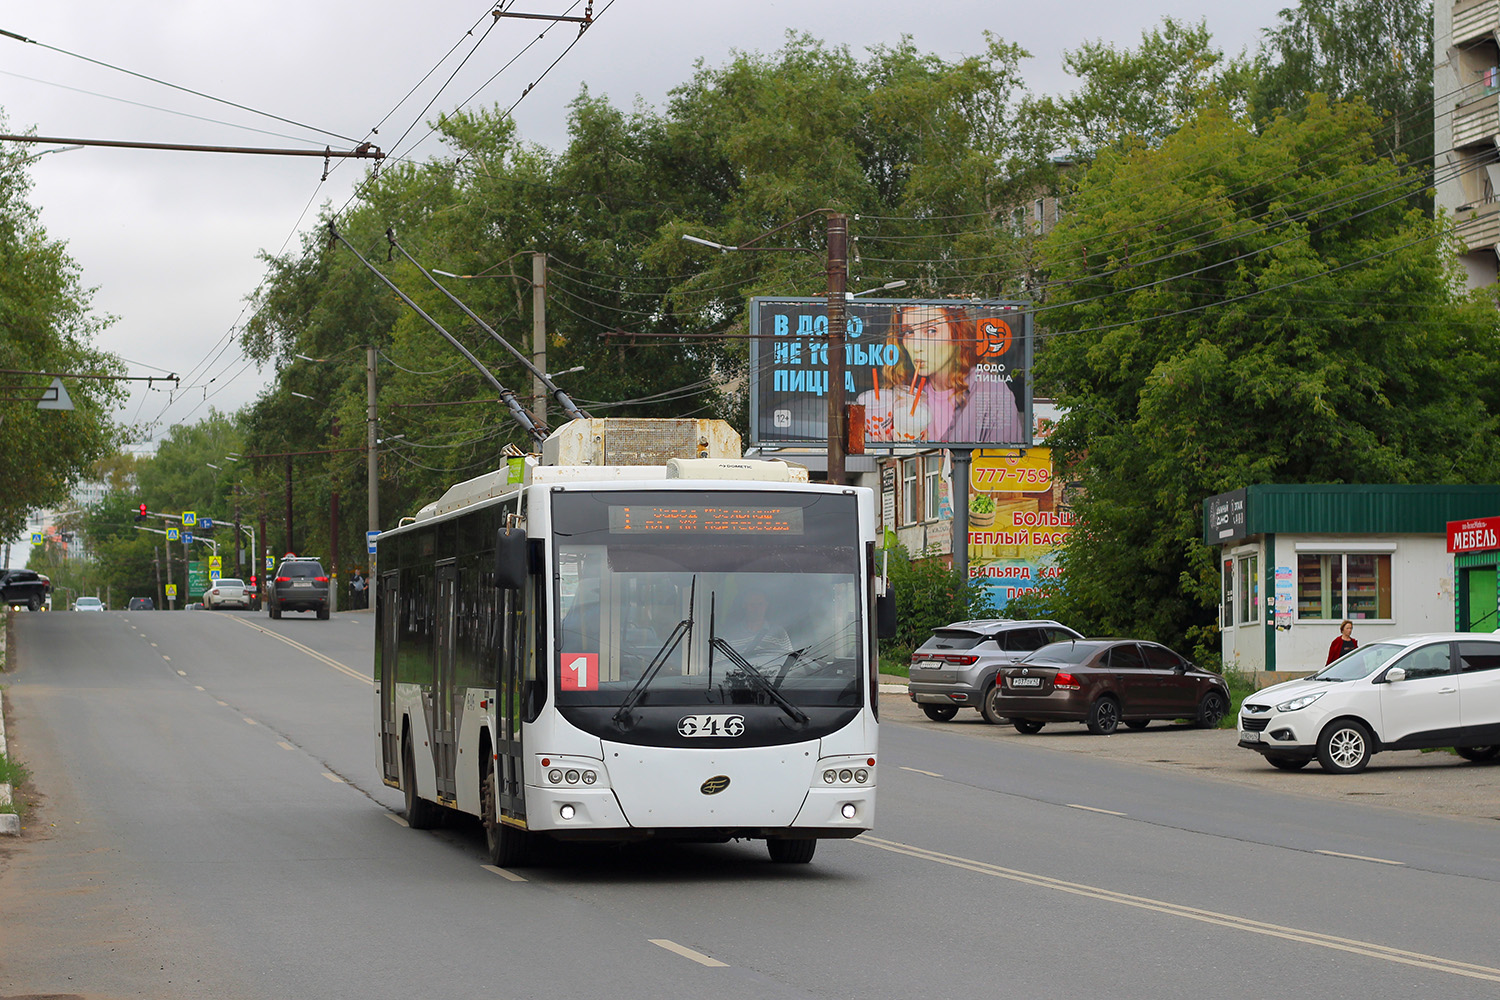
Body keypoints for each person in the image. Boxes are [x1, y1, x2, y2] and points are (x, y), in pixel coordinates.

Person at [856, 303, 1023, 444]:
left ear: (956, 333)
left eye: (931, 331)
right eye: (909, 332)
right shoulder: (903, 394)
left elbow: (1006, 457)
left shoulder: (990, 390)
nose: (916, 347)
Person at [723, 588, 793, 671]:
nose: (756, 608)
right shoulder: (730, 636)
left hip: (772, 678)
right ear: (744, 606)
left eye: (760, 604)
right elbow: (720, 667)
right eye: (752, 605)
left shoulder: (779, 633)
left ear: (766, 605)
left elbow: (790, 664)